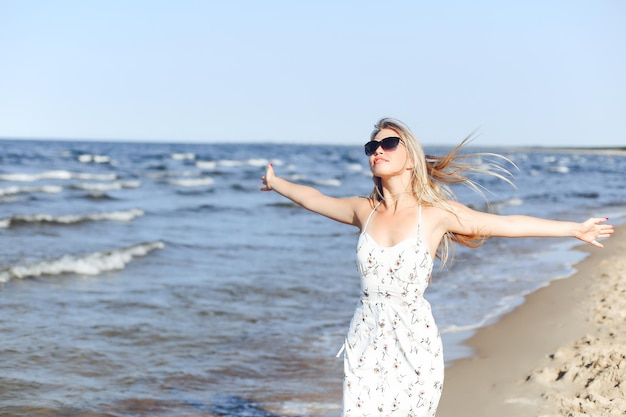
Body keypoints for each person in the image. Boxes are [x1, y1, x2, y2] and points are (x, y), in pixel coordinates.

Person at [259, 118, 614, 417]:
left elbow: (506, 224)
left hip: (414, 339)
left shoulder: (435, 214)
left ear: (410, 158)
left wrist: (572, 228)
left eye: (389, 143)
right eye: (371, 147)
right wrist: (276, 183)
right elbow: (314, 198)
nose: (377, 151)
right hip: (365, 335)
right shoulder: (363, 210)